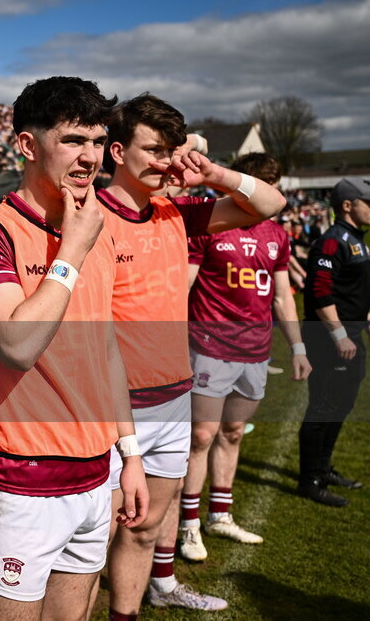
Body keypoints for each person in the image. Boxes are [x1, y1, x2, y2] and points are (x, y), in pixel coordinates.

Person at [0, 76, 147, 620]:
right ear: (27, 145)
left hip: (95, 475)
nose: (90, 158)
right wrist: (72, 252)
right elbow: (17, 344)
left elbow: (105, 352)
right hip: (20, 479)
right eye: (72, 141)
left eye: (98, 142)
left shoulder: (93, 228)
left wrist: (129, 457)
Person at [97, 98, 286, 615]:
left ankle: (132, 609)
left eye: (169, 152)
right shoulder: (87, 217)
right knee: (92, 545)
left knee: (148, 530)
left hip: (172, 397)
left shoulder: (176, 213)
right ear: (117, 151)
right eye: (152, 151)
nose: (164, 162)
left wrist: (215, 171)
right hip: (112, 406)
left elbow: (268, 206)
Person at [179, 152, 309, 562]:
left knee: (233, 432)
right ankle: (187, 526)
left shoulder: (277, 235)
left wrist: (297, 346)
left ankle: (220, 515)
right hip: (209, 348)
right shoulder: (210, 226)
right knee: (200, 436)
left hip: (255, 350)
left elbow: (284, 295)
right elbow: (182, 287)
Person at [298, 177, 370, 506]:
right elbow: (320, 292)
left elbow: (349, 291)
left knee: (340, 406)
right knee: (323, 407)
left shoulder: (357, 238)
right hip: (330, 339)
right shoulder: (331, 241)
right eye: (368, 203)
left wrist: (365, 321)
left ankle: (323, 468)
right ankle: (310, 480)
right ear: (347, 205)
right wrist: (340, 334)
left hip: (350, 334)